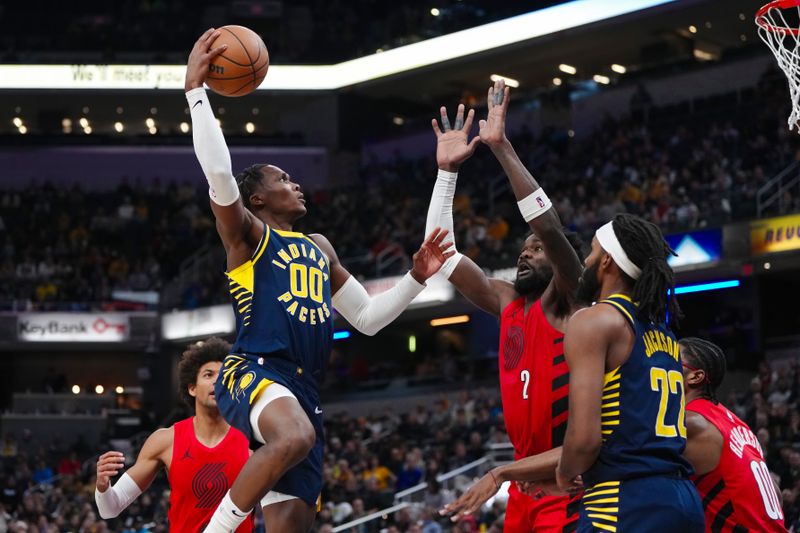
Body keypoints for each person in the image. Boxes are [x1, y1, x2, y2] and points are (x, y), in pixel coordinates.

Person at [184, 29, 455, 533]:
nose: (296, 183)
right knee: (292, 438)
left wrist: (415, 278)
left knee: (294, 523)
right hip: (254, 370)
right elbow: (220, 177)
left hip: (305, 390)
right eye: (283, 179)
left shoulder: (320, 248)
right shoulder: (248, 237)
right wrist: (197, 94)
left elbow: (368, 319)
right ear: (258, 200)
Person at [428, 79, 584, 531]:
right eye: (523, 247)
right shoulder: (506, 300)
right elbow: (441, 253)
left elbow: (551, 229)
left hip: (567, 485)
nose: (525, 252)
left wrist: (500, 148)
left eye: (535, 250)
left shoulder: (570, 302)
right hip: (523, 488)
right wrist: (446, 173)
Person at [556, 214, 704, 531]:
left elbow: (584, 439)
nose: (586, 261)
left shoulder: (594, 320)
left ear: (607, 260)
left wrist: (564, 472)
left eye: (592, 251)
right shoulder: (665, 335)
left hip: (624, 499)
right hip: (683, 499)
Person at [94, 337, 253, 532]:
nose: (217, 381)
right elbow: (110, 509)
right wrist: (102, 486)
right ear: (192, 388)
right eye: (208, 375)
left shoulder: (253, 440)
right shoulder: (165, 440)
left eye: (223, 376)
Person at [681, 337, 787, 532]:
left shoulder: (691, 423)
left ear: (695, 377)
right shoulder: (738, 424)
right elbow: (776, 494)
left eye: (670, 361)